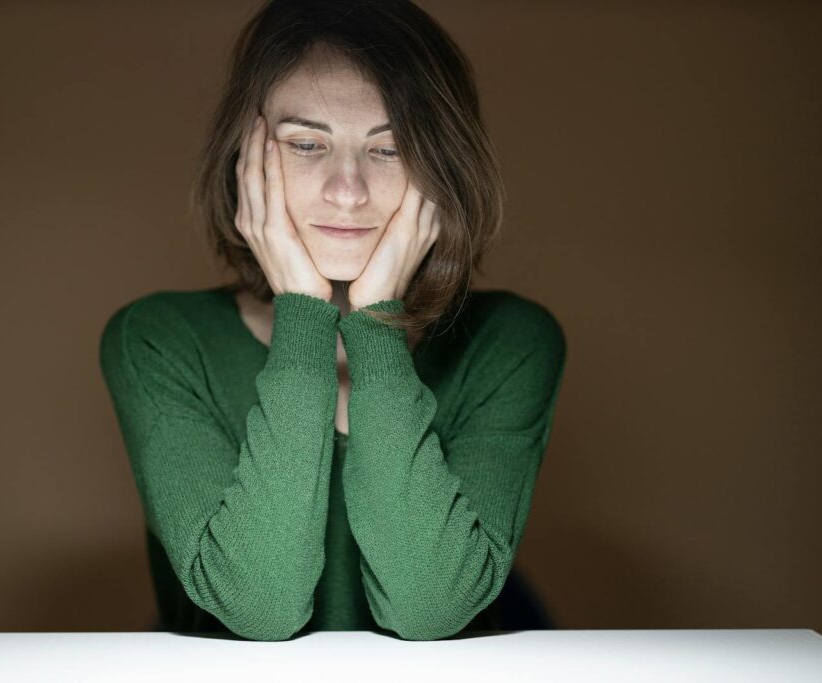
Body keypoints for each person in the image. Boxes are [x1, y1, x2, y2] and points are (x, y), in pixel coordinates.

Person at [99, 0, 567, 641]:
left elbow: (427, 607)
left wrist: (376, 325)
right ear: (247, 160)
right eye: (308, 144)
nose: (347, 190)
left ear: (443, 169)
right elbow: (258, 607)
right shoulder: (158, 338)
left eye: (390, 149)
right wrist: (305, 315)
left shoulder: (510, 342)